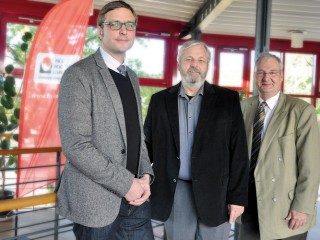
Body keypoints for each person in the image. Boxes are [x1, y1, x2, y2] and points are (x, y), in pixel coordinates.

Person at [56, 1, 154, 239]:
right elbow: (76, 146)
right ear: (100, 31)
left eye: (129, 24)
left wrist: (145, 176)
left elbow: (136, 135)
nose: (123, 30)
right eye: (115, 24)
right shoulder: (78, 74)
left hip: (136, 200)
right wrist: (126, 184)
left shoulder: (131, 76)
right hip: (95, 204)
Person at [144, 40, 249, 240]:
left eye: (201, 60)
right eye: (189, 59)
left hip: (216, 193)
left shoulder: (228, 100)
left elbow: (239, 153)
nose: (195, 64)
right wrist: (140, 178)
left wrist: (237, 198)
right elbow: (145, 146)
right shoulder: (160, 101)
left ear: (208, 65)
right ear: (179, 63)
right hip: (176, 191)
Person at [239, 52, 320, 240]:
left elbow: (311, 165)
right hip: (250, 204)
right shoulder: (243, 108)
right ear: (254, 76)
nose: (266, 78)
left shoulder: (300, 110)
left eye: (272, 72)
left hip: (287, 207)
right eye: (261, 72)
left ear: (281, 76)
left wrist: (302, 206)